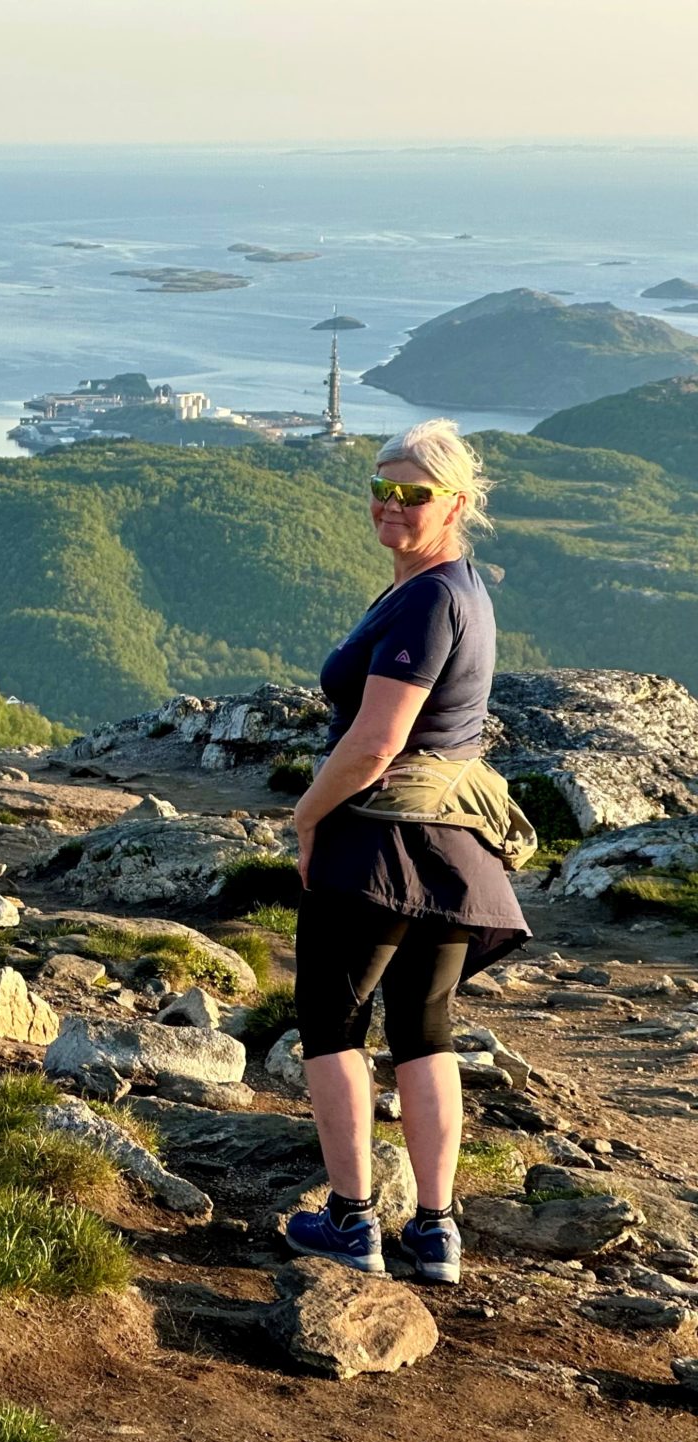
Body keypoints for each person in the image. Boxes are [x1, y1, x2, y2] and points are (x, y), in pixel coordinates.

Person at [282, 420, 529, 1285]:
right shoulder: (457, 588)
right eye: (381, 487)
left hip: (383, 843)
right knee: (424, 1029)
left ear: (456, 502)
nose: (391, 503)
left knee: (331, 1020)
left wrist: (310, 817)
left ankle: (353, 1221)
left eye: (412, 492)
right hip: (456, 852)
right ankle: (435, 1231)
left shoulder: (427, 601)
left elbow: (375, 743)